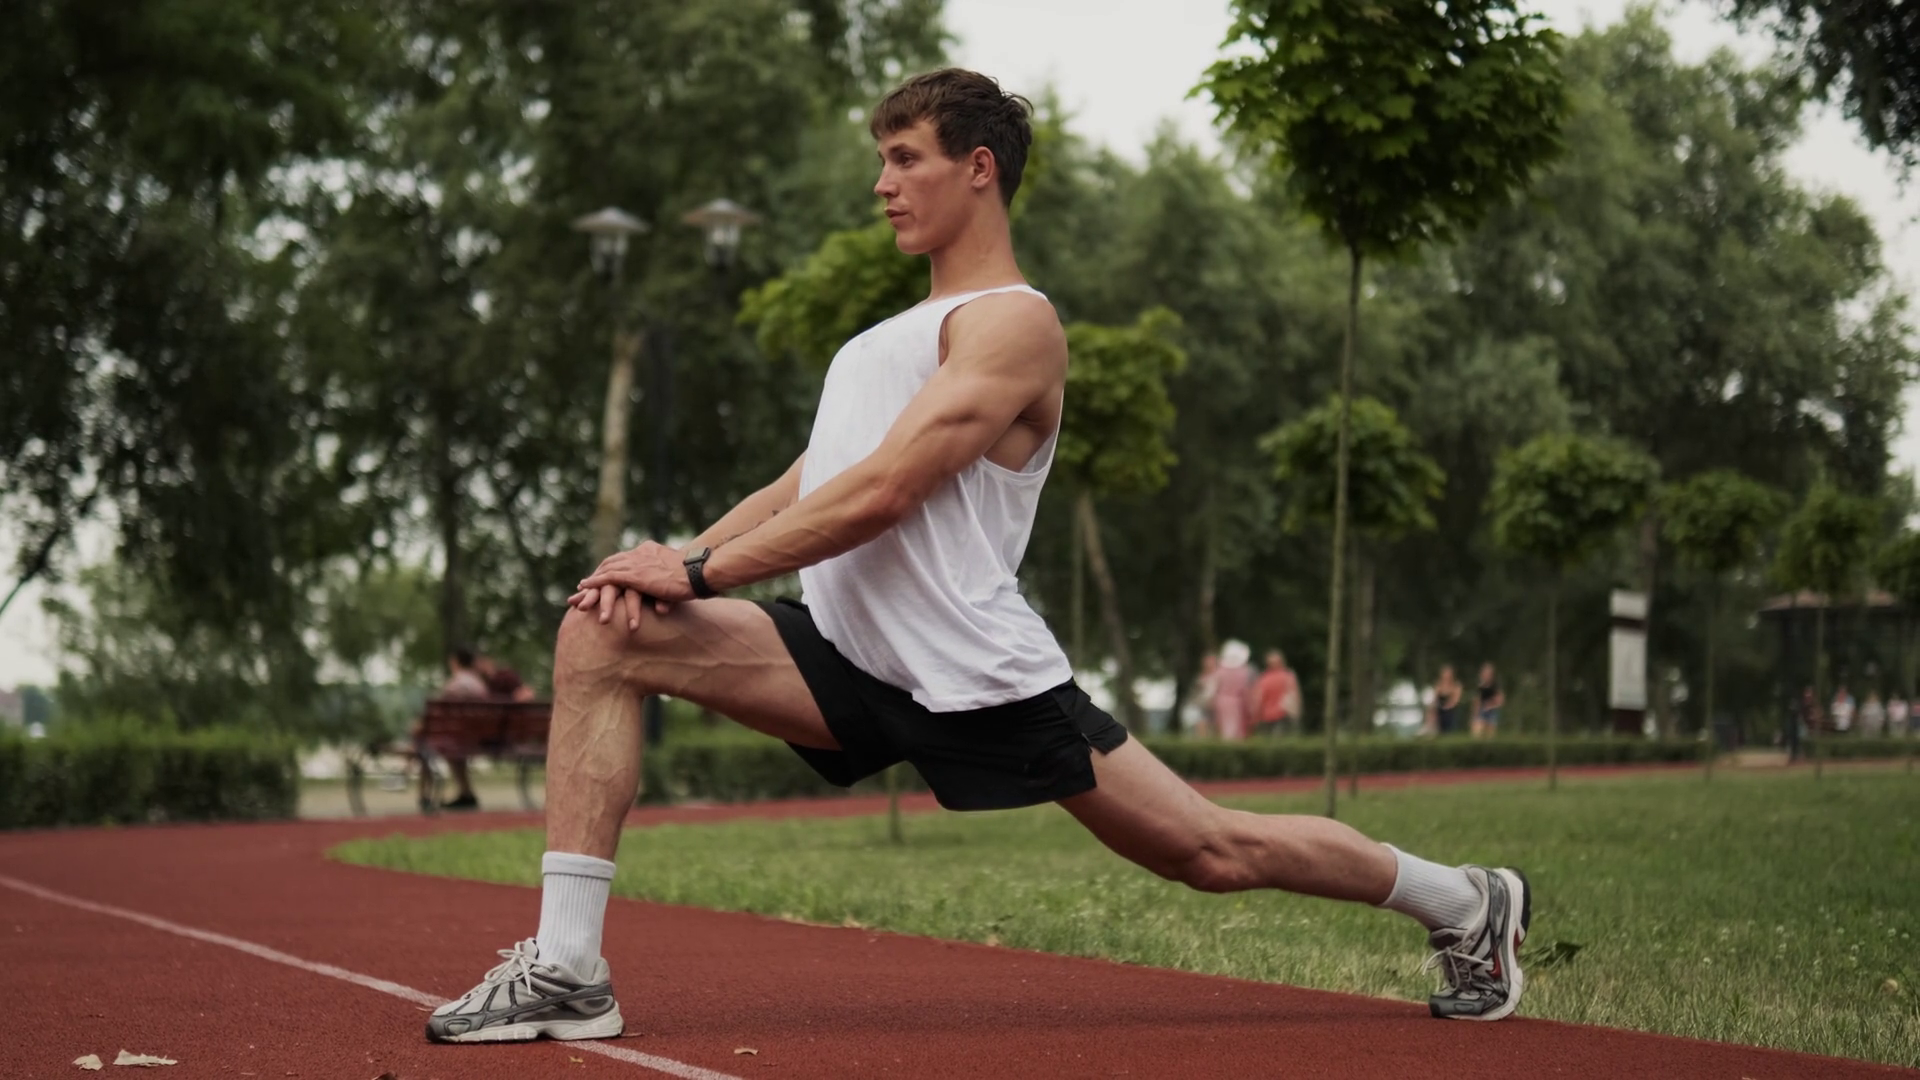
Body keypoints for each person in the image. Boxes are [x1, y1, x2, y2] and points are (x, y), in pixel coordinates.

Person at [428, 69, 1532, 1044]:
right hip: (847, 655)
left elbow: (887, 491)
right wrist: (677, 555)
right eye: (882, 160)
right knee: (604, 634)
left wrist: (705, 575)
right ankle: (568, 970)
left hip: (971, 670)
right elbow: (811, 482)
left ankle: (1466, 901)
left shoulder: (1013, 325)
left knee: (1208, 852)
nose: (883, 184)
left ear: (980, 168)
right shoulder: (879, 343)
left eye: (905, 158)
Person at [418, 646, 488, 811]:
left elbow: (438, 710)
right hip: (476, 737)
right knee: (456, 754)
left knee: (423, 747)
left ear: (455, 662)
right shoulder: (479, 685)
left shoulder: (455, 684)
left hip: (458, 738)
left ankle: (425, 795)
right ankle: (466, 793)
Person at [1212, 640, 1255, 741]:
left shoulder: (1219, 671)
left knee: (1224, 729)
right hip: (1237, 701)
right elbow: (1246, 691)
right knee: (1237, 729)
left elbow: (1214, 688)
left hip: (1221, 700)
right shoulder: (1244, 671)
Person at [1253, 649, 1299, 737]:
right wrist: (1296, 715)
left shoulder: (1264, 678)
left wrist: (1256, 717)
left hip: (1267, 715)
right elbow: (1295, 696)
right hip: (1284, 713)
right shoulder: (1288, 676)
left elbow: (1259, 699)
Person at [1183, 654, 1220, 738]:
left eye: (1211, 662)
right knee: (1201, 726)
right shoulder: (1200, 678)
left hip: (1214, 706)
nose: (1208, 665)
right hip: (1201, 706)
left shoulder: (1218, 677)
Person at [1472, 663, 1504, 739]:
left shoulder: (1496, 686)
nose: (1486, 676)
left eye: (1488, 674)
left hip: (1492, 711)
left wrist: (1490, 706)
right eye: (1484, 673)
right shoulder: (1479, 686)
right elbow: (1477, 701)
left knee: (1490, 736)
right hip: (1481, 710)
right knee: (1477, 734)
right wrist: (1475, 713)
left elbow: (1500, 701)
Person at [1432, 664, 1465, 736]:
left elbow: (1456, 700)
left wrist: (1447, 707)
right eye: (1445, 673)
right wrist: (1438, 706)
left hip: (1452, 710)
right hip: (1440, 709)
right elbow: (1435, 699)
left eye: (1448, 673)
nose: (1446, 676)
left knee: (1449, 719)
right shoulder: (1438, 685)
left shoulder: (1456, 685)